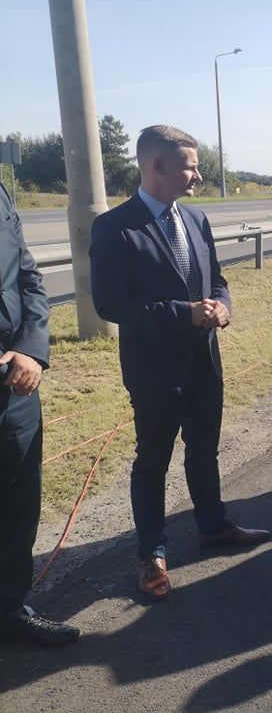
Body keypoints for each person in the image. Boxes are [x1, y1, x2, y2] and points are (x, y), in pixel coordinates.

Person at [91, 125, 269, 602]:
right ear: (157, 167)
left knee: (204, 449)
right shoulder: (114, 227)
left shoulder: (195, 218)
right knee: (153, 461)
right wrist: (182, 314)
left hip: (204, 361)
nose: (198, 176)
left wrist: (222, 307)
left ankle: (213, 524)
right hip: (154, 369)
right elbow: (109, 303)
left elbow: (217, 279)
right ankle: (151, 553)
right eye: (190, 167)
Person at [0, 181, 80, 646]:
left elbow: (27, 276)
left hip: (15, 381)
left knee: (17, 502)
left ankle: (10, 609)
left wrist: (30, 349)